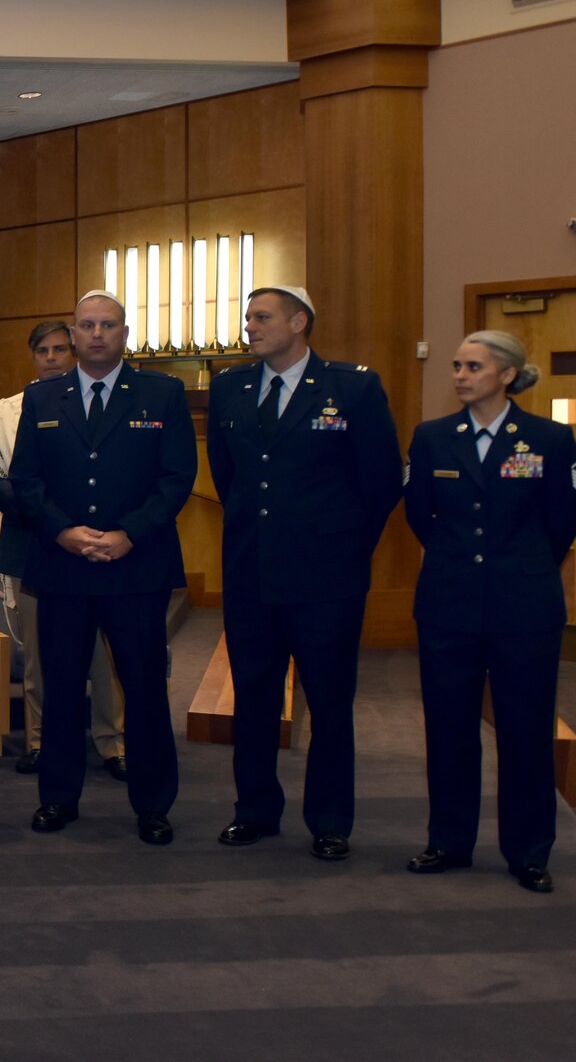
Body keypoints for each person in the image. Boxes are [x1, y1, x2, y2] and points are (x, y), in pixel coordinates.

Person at [206, 286, 400, 861]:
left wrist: (339, 546)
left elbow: (381, 481)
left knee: (330, 702)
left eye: (262, 318)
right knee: (255, 700)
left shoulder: (352, 388)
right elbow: (228, 475)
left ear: (299, 321)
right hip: (251, 575)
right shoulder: (229, 388)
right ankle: (256, 810)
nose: (250, 327)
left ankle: (331, 820)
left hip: (327, 581)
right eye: (248, 319)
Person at [9, 291, 195, 845]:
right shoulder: (42, 398)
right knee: (62, 688)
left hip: (135, 567)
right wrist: (62, 530)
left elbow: (176, 479)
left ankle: (154, 804)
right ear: (73, 333)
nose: (96, 335)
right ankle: (58, 798)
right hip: (63, 566)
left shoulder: (161, 394)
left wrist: (127, 534)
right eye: (86, 326)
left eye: (107, 326)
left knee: (143, 688)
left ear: (124, 333)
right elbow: (26, 482)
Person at [403, 330, 575, 894]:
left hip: (524, 606)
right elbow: (420, 515)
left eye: (473, 366)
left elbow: (560, 522)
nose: (459, 375)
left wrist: (517, 567)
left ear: (506, 375)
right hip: (449, 602)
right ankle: (448, 842)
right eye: (456, 365)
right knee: (448, 728)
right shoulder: (432, 439)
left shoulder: (549, 439)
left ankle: (528, 852)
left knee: (525, 731)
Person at [0, 319, 125, 781]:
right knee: (39, 654)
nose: (51, 358)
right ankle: (41, 739)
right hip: (33, 541)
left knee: (104, 655)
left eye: (60, 349)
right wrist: (47, 516)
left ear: (76, 352)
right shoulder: (7, 412)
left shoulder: (98, 402)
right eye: (42, 350)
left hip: (97, 545)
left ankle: (112, 742)